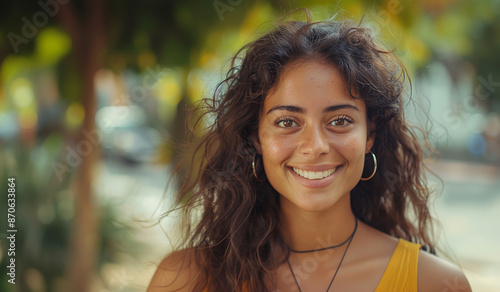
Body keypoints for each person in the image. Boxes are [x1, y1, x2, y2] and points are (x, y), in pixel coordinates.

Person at [148, 10, 472, 292]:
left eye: (340, 120)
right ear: (257, 138)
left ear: (370, 134)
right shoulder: (184, 279)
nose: (315, 147)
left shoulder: (432, 283)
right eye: (287, 121)